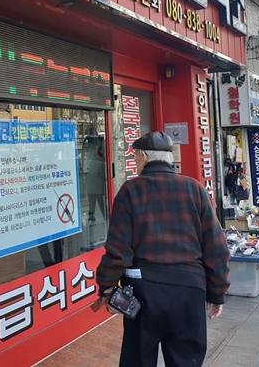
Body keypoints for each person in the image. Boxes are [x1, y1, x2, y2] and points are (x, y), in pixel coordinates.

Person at [95, 132, 230, 367]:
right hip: (190, 291)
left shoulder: (130, 190)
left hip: (144, 292)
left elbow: (118, 251)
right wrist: (217, 292)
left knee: (137, 359)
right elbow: (216, 247)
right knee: (185, 360)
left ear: (144, 157)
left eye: (136, 156)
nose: (136, 161)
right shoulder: (194, 189)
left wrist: (106, 288)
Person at [86, 146, 107, 223]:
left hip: (90, 188)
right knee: (102, 204)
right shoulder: (102, 163)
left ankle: (91, 219)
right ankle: (107, 218)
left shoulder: (91, 163)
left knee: (92, 205)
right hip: (99, 188)